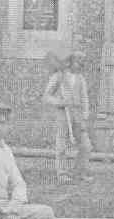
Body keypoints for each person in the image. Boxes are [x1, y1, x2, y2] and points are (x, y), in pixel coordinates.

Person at [42, 51, 93, 184]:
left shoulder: (80, 79)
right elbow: (46, 97)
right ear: (71, 61)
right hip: (63, 115)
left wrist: (85, 115)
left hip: (78, 115)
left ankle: (79, 173)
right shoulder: (58, 76)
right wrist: (60, 102)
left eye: (82, 61)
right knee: (62, 146)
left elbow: (84, 98)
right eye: (78, 61)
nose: (80, 64)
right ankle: (62, 175)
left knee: (86, 146)